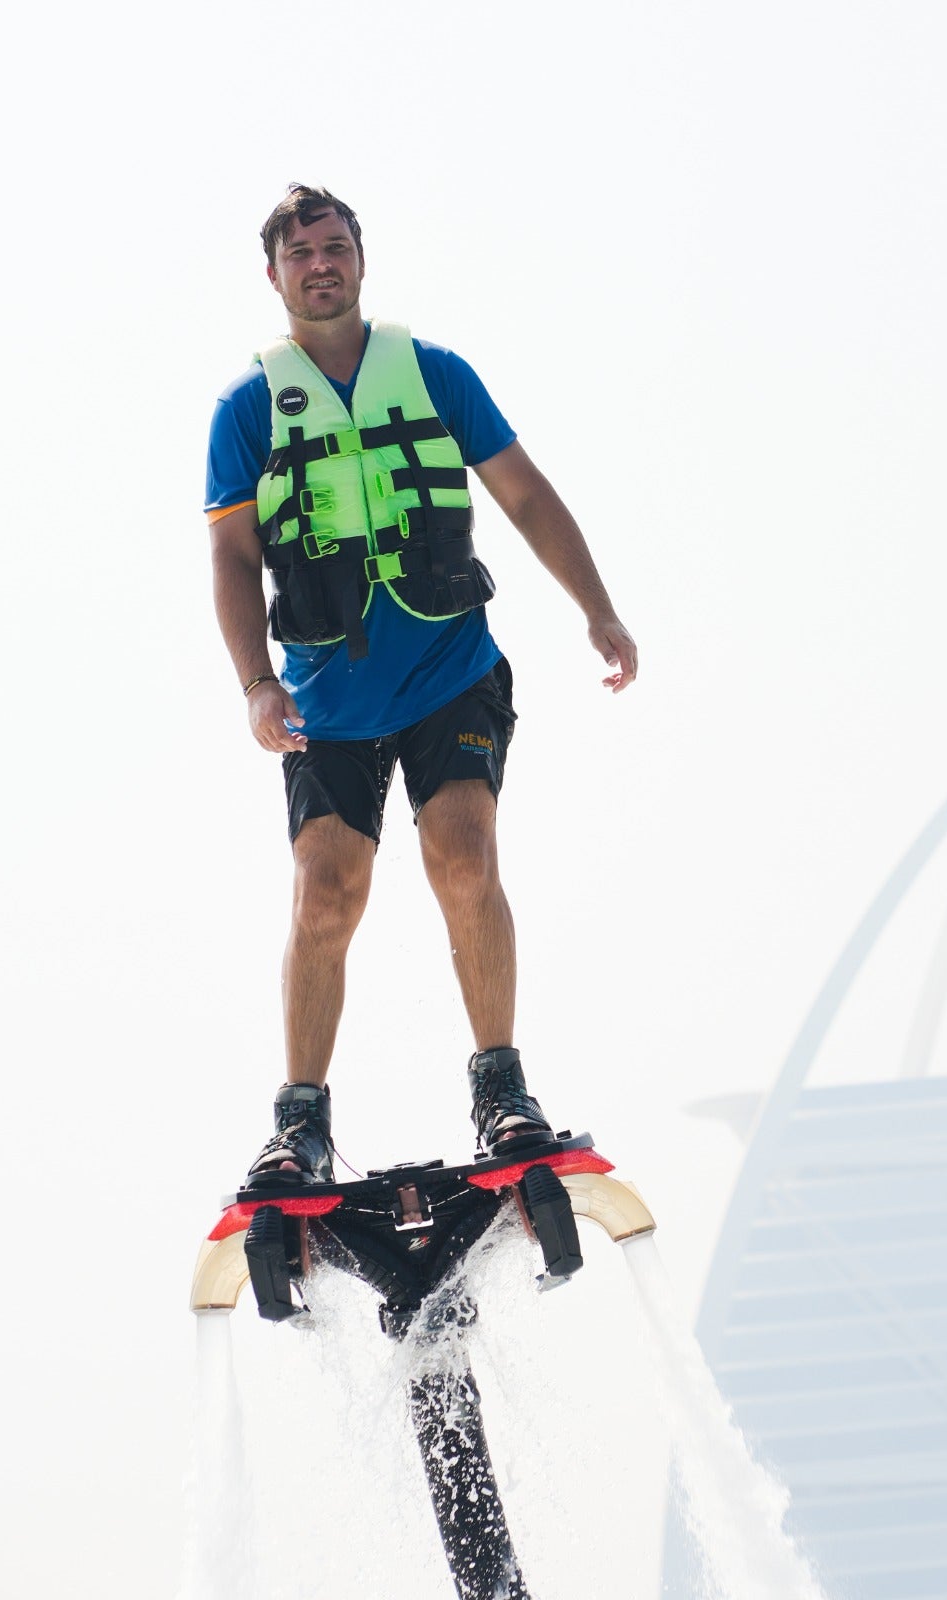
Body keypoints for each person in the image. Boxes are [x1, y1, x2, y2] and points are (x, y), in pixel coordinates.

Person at [205, 185, 637, 1186]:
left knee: (464, 851)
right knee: (324, 892)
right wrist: (255, 683)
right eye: (300, 251)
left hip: (451, 669)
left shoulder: (437, 375)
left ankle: (500, 1087)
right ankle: (300, 1121)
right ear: (273, 274)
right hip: (328, 700)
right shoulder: (246, 409)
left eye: (335, 245)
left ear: (361, 260)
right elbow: (231, 559)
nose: (320, 262)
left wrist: (598, 609)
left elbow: (524, 493)